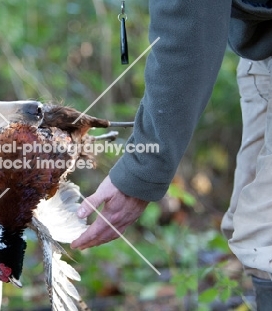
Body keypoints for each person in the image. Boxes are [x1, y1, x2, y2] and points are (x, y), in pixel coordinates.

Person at [70, 0, 272, 308]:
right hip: (263, 47)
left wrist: (140, 171)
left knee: (265, 236)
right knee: (248, 227)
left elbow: (187, 24)